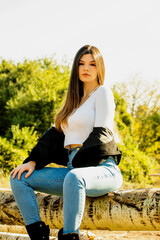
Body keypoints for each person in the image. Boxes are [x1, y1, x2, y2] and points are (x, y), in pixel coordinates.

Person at [10, 45, 123, 240]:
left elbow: (103, 132)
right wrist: (32, 161)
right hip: (75, 172)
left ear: (99, 68)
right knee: (18, 178)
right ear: (76, 68)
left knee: (75, 177)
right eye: (81, 64)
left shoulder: (102, 93)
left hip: (102, 169)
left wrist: (77, 163)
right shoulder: (73, 102)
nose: (86, 68)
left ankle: (70, 236)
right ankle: (38, 235)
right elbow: (53, 136)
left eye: (92, 64)